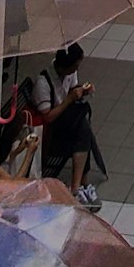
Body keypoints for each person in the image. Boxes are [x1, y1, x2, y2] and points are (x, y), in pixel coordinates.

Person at [32, 43, 105, 208]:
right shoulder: (43, 84)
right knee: (83, 129)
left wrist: (82, 91)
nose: (76, 70)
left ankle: (78, 187)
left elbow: (73, 88)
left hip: (67, 123)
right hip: (52, 132)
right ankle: (79, 186)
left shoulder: (70, 73)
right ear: (65, 66)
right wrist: (69, 99)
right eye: (75, 67)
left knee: (82, 128)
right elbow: (48, 117)